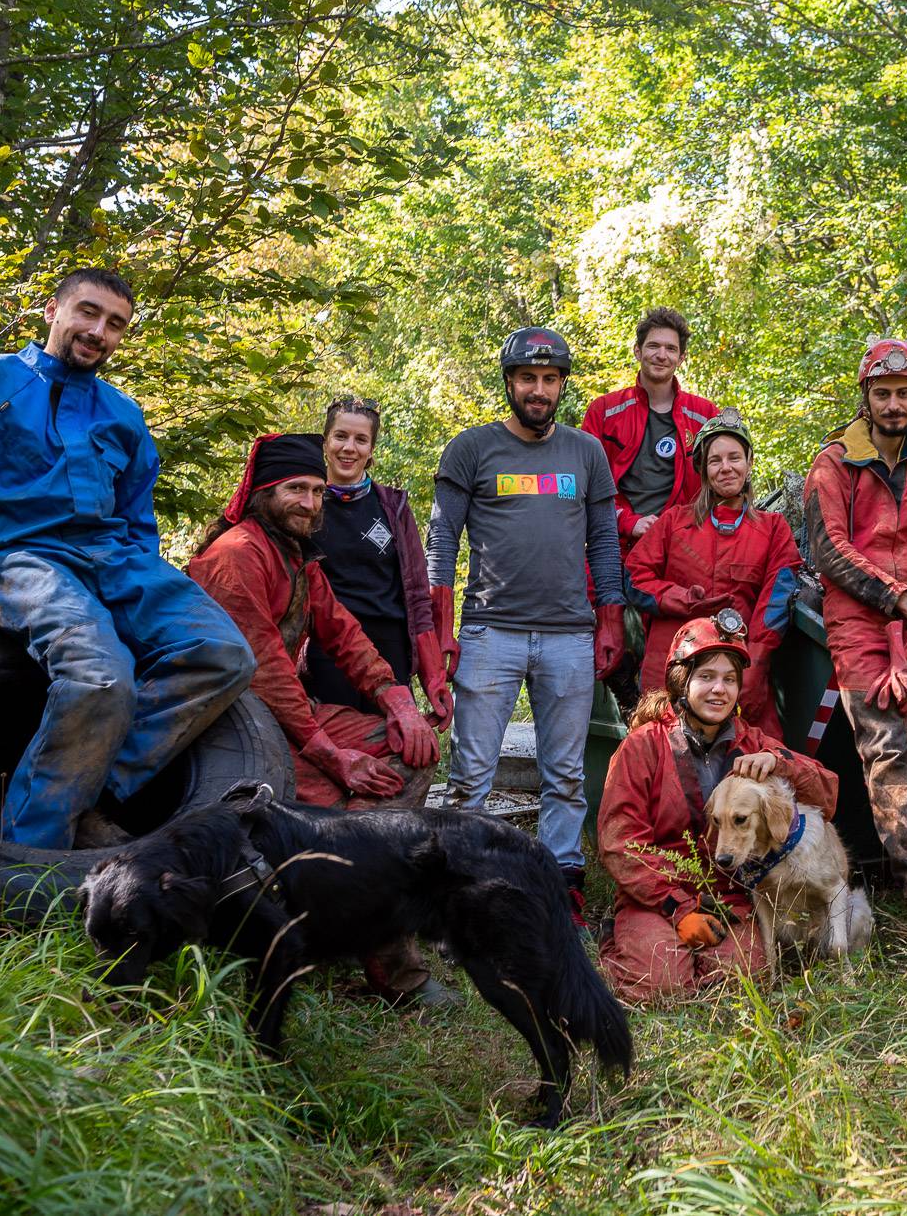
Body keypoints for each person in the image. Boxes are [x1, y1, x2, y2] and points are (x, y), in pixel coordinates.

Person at [0, 268, 254, 850]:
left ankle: (83, 789)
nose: (98, 331)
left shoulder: (122, 415)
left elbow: (137, 516)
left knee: (223, 655)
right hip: (20, 558)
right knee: (100, 676)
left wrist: (138, 602)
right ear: (51, 310)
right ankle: (29, 859)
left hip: (116, 560)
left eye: (115, 324)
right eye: (87, 312)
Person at [189, 434, 453, 1006]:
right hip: (227, 728)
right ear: (263, 493)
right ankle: (389, 963)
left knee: (411, 750)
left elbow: (344, 634)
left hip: (281, 717)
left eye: (315, 491)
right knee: (338, 808)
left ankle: (344, 901)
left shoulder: (295, 556)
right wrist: (330, 753)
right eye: (295, 490)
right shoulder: (238, 556)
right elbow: (262, 668)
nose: (310, 503)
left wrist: (399, 702)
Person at [427, 327, 626, 923]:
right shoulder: (471, 449)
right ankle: (464, 885)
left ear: (562, 384)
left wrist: (609, 621)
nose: (538, 390)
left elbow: (605, 543)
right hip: (491, 631)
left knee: (565, 774)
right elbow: (442, 541)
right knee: (470, 773)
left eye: (549, 380)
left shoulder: (585, 453)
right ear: (509, 382)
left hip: (569, 634)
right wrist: (441, 632)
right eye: (527, 379)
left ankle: (561, 879)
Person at [803, 338, 907, 937]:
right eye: (884, 393)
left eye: (905, 393)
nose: (895, 404)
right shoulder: (832, 466)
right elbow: (829, 550)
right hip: (861, 626)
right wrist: (900, 601)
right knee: (889, 759)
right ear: (866, 397)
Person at [596, 614, 839, 1004]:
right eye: (706, 676)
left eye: (729, 679)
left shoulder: (752, 743)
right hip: (659, 896)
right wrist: (678, 908)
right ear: (682, 681)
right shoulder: (643, 747)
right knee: (662, 984)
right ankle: (622, 940)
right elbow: (620, 844)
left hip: (729, 898)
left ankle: (690, 961)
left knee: (745, 976)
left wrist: (780, 763)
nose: (719, 690)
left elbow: (827, 793)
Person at [626, 407, 801, 737]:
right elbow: (635, 577)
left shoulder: (773, 528)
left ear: (748, 463)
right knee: (659, 756)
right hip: (671, 666)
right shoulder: (673, 523)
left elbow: (776, 600)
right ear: (704, 471)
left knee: (754, 765)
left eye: (734, 458)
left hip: (738, 670)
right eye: (715, 461)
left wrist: (756, 664)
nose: (726, 468)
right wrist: (683, 599)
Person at [300, 397, 453, 731]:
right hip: (329, 652)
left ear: (371, 450)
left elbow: (416, 596)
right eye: (340, 437)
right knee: (336, 747)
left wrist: (433, 676)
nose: (349, 448)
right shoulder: (304, 504)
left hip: (389, 650)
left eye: (361, 440)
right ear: (325, 442)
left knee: (393, 750)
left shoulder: (392, 508)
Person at [580, 306, 720, 552]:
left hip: (686, 546)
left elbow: (724, 482)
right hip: (618, 545)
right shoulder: (604, 411)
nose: (662, 355)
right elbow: (585, 485)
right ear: (638, 351)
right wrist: (628, 521)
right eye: (653, 346)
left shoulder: (705, 415)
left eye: (671, 349)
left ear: (681, 357)